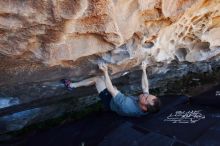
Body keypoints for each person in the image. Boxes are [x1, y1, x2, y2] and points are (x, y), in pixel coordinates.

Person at [62, 61, 161, 117]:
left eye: (146, 97)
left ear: (144, 107)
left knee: (98, 79)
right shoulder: (148, 105)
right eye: (148, 95)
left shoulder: (127, 105)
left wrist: (105, 71)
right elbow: (145, 87)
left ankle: (71, 86)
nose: (145, 94)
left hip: (110, 103)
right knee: (112, 88)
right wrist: (143, 69)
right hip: (120, 102)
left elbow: (110, 89)